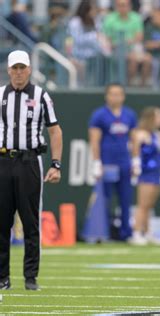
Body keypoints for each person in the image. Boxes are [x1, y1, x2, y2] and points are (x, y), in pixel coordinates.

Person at [0, 50, 63, 291]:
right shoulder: (0, 96)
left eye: (22, 68)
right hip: (3, 161)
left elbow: (55, 130)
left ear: (29, 69)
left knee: (30, 221)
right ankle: (2, 277)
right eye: (14, 68)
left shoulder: (41, 96)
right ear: (8, 70)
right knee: (1, 221)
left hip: (29, 162)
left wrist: (55, 164)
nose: (18, 73)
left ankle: (30, 277)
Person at [88, 83, 137, 241]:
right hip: (107, 163)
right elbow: (94, 140)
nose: (115, 97)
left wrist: (136, 160)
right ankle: (105, 231)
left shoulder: (129, 115)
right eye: (112, 94)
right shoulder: (100, 115)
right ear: (106, 96)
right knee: (105, 198)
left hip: (124, 162)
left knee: (125, 199)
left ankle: (125, 233)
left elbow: (134, 139)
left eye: (118, 94)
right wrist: (97, 162)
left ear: (123, 96)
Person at [129, 106, 160, 245]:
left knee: (149, 205)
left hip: (156, 172)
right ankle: (136, 232)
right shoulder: (140, 133)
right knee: (143, 205)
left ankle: (147, 231)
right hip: (146, 173)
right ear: (151, 118)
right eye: (159, 116)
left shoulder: (157, 134)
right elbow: (134, 149)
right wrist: (136, 165)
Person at [103, 0, 152, 86]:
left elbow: (139, 36)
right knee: (132, 60)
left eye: (125, 5)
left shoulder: (136, 17)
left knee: (148, 59)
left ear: (129, 6)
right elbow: (106, 38)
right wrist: (118, 43)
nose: (123, 8)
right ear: (116, 6)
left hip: (134, 48)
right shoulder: (110, 19)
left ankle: (143, 87)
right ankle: (128, 86)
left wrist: (129, 42)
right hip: (116, 50)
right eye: (120, 5)